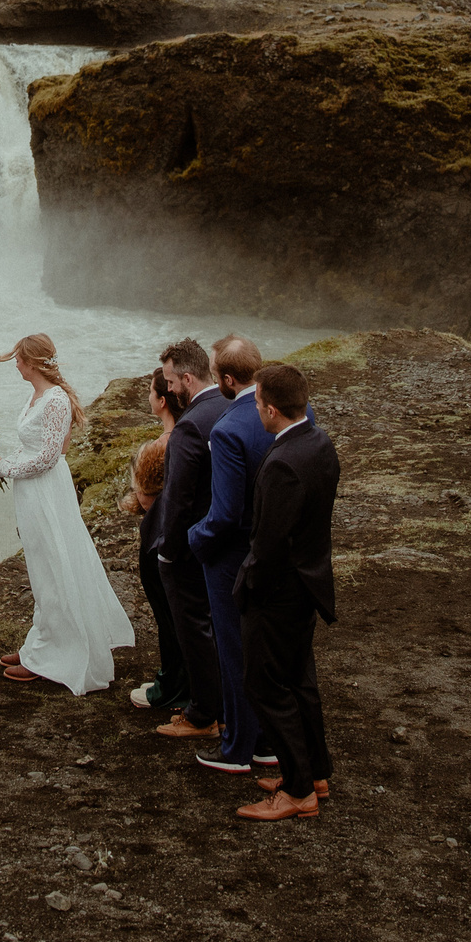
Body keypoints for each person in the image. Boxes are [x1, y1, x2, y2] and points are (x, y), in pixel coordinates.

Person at [188, 334, 314, 780]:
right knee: (268, 652)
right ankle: (265, 743)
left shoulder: (227, 430)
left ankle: (238, 746)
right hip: (280, 553)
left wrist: (194, 539)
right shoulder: (298, 413)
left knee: (233, 650)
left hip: (231, 556)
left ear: (225, 378)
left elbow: (223, 514)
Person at [0, 333, 134, 694]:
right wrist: (4, 462)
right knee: (41, 568)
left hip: (47, 493)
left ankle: (58, 654)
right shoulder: (37, 395)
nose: (15, 363)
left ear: (32, 363)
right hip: (32, 492)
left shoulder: (55, 400)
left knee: (54, 566)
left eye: (19, 359)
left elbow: (51, 457)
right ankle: (41, 642)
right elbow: (33, 447)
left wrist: (4, 469)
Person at [235, 363, 339, 822]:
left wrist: (246, 587)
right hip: (309, 582)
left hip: (278, 591)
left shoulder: (281, 464)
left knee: (265, 685)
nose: (255, 409)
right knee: (300, 681)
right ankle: (315, 772)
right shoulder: (319, 443)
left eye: (257, 403)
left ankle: (298, 791)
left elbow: (268, 543)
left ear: (273, 410)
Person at [151, 337, 229, 748]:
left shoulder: (190, 427)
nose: (167, 389)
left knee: (194, 627)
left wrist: (167, 549)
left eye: (168, 380)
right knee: (218, 627)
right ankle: (223, 706)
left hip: (191, 545)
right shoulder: (231, 408)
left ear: (185, 378)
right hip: (225, 539)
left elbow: (177, 499)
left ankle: (202, 714)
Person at [124, 366, 190, 717]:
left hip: (160, 541)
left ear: (162, 400)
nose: (148, 397)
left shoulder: (161, 446)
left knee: (169, 617)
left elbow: (148, 499)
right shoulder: (189, 435)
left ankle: (172, 686)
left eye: (151, 392)